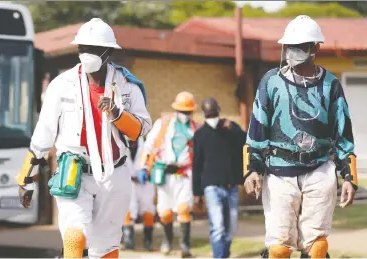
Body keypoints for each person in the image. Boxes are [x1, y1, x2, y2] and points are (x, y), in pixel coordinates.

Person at [15, 18, 152, 258]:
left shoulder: (127, 86)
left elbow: (141, 129)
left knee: (106, 248)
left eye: (92, 49)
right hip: (74, 171)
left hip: (114, 173)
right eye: (82, 48)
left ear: (107, 52)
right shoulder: (61, 85)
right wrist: (26, 178)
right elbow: (43, 134)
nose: (85, 53)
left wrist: (118, 114)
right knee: (74, 237)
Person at [243, 15, 358, 259]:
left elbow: (343, 134)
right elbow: (257, 129)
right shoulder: (271, 81)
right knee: (279, 249)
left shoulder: (331, 85)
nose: (293, 51)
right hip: (278, 172)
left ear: (315, 47)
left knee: (317, 248)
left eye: (300, 46)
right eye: (290, 46)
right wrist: (253, 169)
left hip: (319, 170)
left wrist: (349, 177)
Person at [138, 92, 201, 257]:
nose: (185, 115)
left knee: (184, 209)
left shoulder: (196, 128)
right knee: (165, 213)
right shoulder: (163, 124)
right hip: (164, 174)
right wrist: (144, 167)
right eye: (183, 111)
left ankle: (185, 247)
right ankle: (168, 240)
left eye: (188, 112)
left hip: (185, 174)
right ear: (176, 109)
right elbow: (149, 146)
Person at [192, 98, 245, 258]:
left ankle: (224, 252)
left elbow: (247, 140)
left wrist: (234, 128)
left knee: (231, 228)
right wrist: (197, 193)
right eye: (209, 114)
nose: (212, 116)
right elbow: (197, 165)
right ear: (204, 114)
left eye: (213, 113)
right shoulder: (200, 135)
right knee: (218, 227)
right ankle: (219, 256)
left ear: (219, 110)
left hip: (231, 186)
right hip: (211, 187)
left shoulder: (230, 129)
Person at [122, 136, 156, 251]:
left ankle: (148, 242)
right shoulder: (120, 143)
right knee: (128, 211)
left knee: (148, 210)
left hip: (145, 183)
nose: (132, 143)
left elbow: (154, 158)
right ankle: (128, 242)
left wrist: (147, 170)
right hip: (128, 182)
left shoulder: (146, 143)